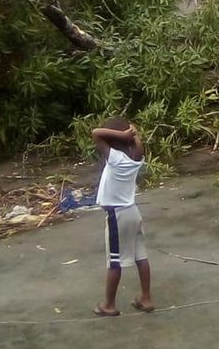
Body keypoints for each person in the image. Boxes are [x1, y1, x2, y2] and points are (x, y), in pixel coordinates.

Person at [91, 118, 153, 317]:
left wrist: (124, 134)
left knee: (114, 261)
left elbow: (96, 133)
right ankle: (146, 297)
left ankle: (109, 304)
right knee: (140, 256)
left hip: (118, 215)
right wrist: (133, 134)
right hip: (132, 212)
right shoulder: (136, 157)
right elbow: (137, 145)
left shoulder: (116, 158)